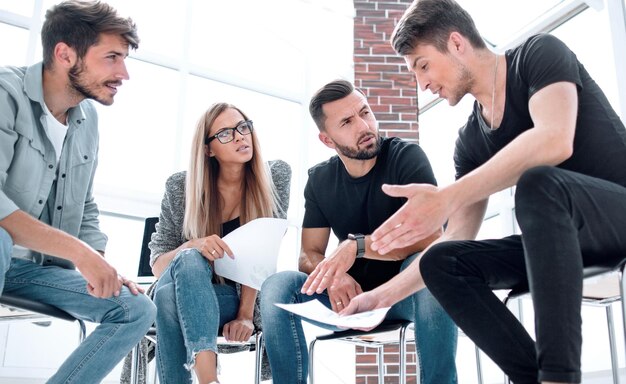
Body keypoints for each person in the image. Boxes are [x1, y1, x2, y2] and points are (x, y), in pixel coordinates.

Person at [340, 0, 626, 383]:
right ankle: (533, 377)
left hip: (616, 215)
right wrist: (381, 297)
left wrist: (446, 198)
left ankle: (560, 378)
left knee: (538, 184)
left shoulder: (538, 55)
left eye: (423, 66)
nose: (422, 83)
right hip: (556, 244)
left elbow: (555, 140)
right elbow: (457, 236)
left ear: (457, 44)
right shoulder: (470, 142)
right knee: (442, 261)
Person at [260, 79, 458, 384]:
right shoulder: (320, 181)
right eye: (348, 122)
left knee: (433, 265)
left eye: (365, 113)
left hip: (402, 295)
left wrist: (359, 246)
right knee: (277, 285)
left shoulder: (405, 157)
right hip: (348, 302)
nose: (364, 126)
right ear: (327, 140)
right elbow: (308, 254)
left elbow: (432, 237)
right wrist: (334, 276)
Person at [0, 1, 156, 383]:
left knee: (136, 309)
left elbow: (84, 206)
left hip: (31, 270)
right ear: (65, 53)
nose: (124, 73)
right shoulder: (5, 94)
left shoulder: (87, 122)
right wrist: (81, 254)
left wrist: (101, 266)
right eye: (112, 58)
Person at [149, 102, 291, 384]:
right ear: (208, 149)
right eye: (226, 133)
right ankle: (208, 379)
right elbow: (158, 265)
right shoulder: (181, 187)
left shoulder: (275, 176)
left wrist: (246, 315)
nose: (240, 136)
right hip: (178, 282)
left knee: (167, 301)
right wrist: (193, 245)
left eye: (243, 127)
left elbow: (262, 254)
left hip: (228, 297)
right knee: (188, 259)